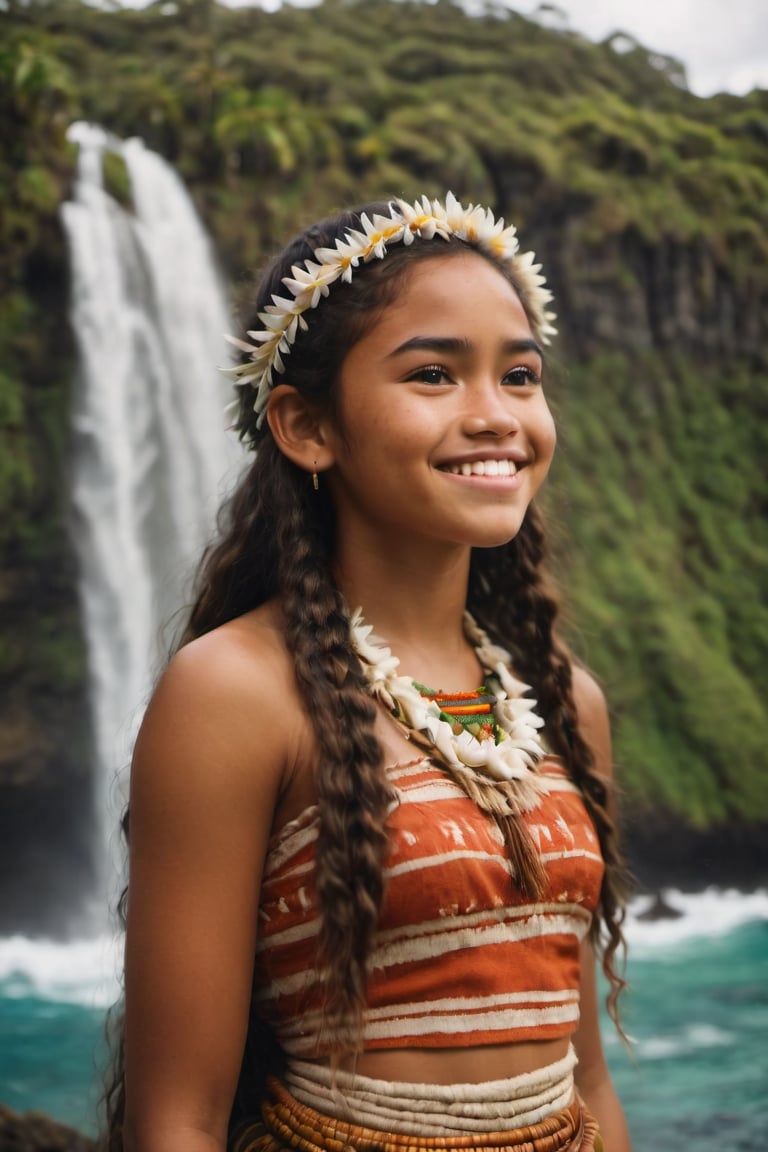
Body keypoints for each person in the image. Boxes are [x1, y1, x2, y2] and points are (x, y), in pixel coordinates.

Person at [105, 194, 632, 1152]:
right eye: (434, 373)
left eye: (520, 375)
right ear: (307, 427)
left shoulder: (563, 704)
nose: (494, 416)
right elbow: (175, 1118)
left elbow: (585, 1073)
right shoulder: (236, 694)